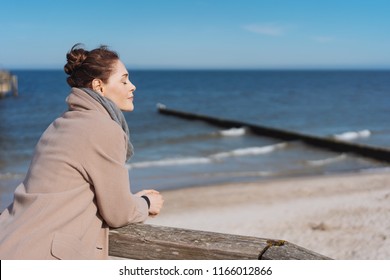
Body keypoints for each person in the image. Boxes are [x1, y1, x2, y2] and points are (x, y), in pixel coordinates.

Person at [0, 44, 164, 259]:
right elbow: (118, 212)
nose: (132, 86)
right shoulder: (103, 129)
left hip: (11, 241)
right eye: (124, 80)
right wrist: (145, 203)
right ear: (99, 86)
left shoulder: (60, 124)